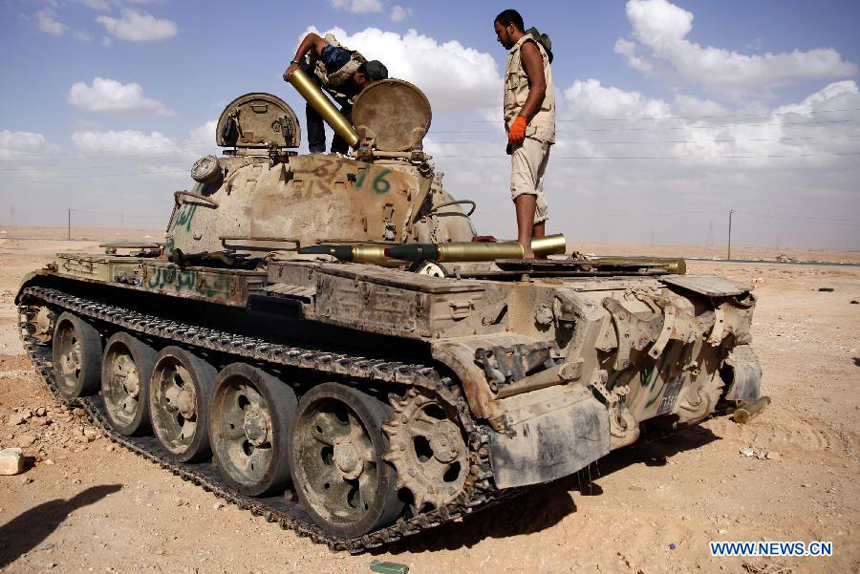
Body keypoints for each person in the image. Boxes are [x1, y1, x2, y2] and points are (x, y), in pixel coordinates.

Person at [493, 9, 555, 259]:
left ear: (510, 27)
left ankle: (524, 247)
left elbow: (538, 87)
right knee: (535, 189)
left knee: (522, 185)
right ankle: (539, 252)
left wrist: (520, 120)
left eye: (498, 32)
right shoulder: (527, 49)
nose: (498, 38)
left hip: (530, 128)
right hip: (535, 130)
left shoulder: (527, 47)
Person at [283, 32, 388, 154]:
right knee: (315, 102)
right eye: (369, 87)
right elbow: (312, 38)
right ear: (361, 78)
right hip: (314, 67)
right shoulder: (339, 58)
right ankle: (316, 149)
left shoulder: (362, 84)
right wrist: (295, 63)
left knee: (351, 111)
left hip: (335, 82)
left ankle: (338, 151)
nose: (370, 92)